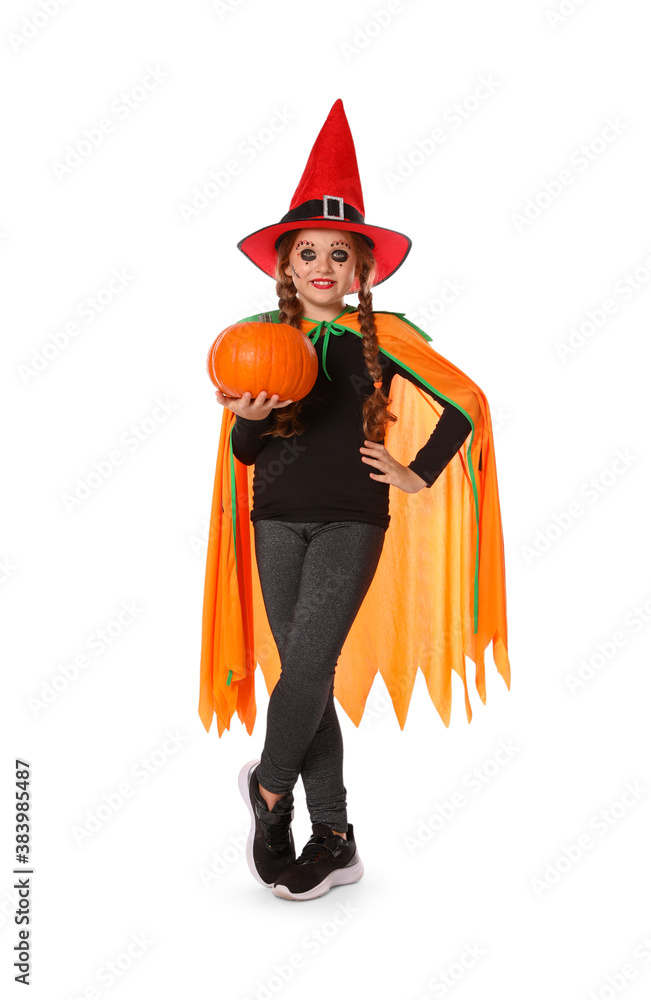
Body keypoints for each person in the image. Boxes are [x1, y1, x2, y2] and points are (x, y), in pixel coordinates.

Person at [199, 99, 511, 902]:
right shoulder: (261, 337)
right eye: (309, 252)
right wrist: (246, 421)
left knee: (303, 666)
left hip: (351, 520)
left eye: (341, 254)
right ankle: (333, 837)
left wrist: (417, 470)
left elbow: (467, 403)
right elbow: (244, 452)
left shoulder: (387, 341)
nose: (324, 267)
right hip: (273, 518)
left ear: (361, 269)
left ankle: (269, 794)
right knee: (313, 673)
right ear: (287, 264)